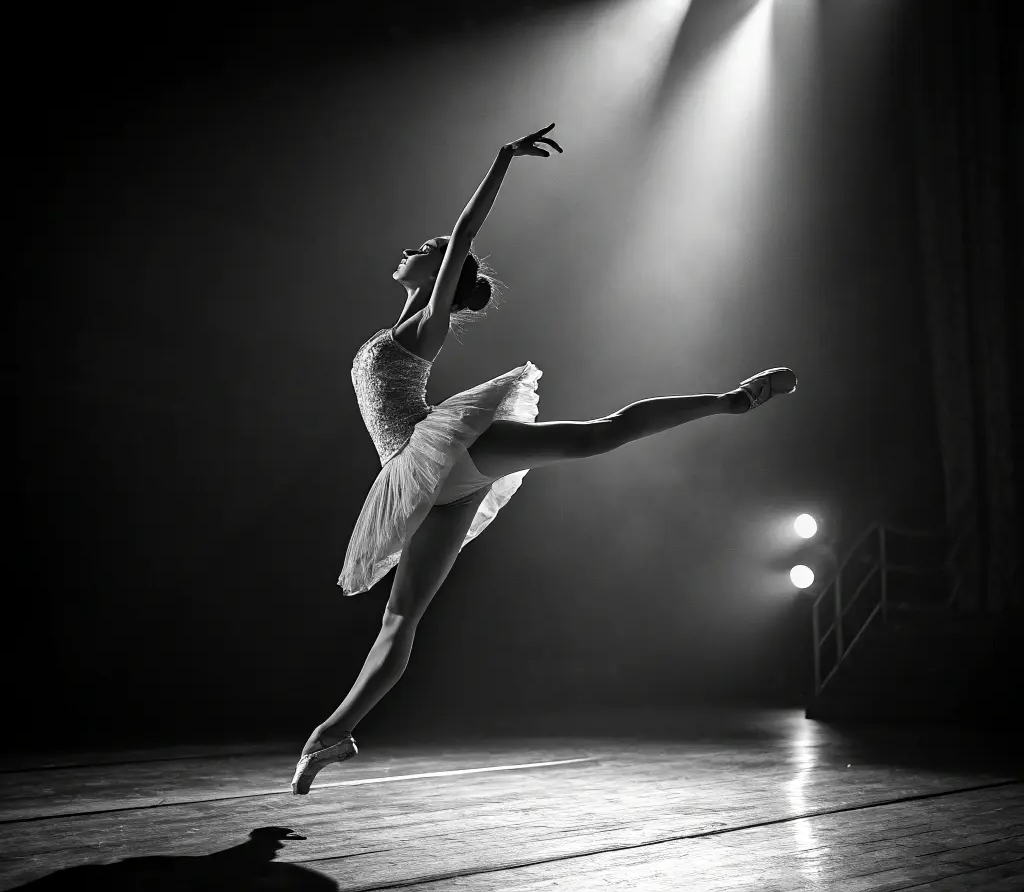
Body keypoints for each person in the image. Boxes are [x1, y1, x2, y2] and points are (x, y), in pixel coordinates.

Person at [291, 124, 797, 793]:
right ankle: (330, 734)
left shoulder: (426, 325)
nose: (409, 249)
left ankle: (732, 400)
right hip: (421, 478)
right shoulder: (399, 326)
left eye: (426, 250)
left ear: (444, 272)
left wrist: (502, 160)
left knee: (597, 434)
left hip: (437, 448)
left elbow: (464, 234)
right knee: (400, 619)